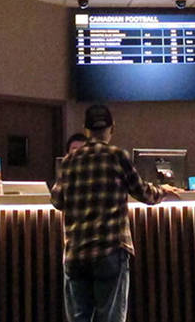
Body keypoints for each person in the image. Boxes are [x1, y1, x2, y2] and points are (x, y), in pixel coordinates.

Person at [51, 104, 181, 322]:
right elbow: (143, 193)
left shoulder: (69, 161)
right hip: (109, 250)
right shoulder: (117, 156)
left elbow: (57, 201)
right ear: (112, 128)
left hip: (76, 252)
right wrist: (164, 191)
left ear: (86, 129)